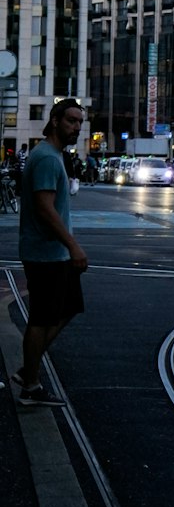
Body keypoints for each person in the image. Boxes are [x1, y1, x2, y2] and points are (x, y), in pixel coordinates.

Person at [16, 97, 88, 408]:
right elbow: (45, 208)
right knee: (42, 318)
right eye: (71, 121)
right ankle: (30, 385)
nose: (76, 128)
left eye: (80, 123)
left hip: (55, 254)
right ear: (55, 120)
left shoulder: (54, 155)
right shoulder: (46, 158)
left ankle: (27, 368)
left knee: (69, 306)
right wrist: (72, 245)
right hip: (46, 254)